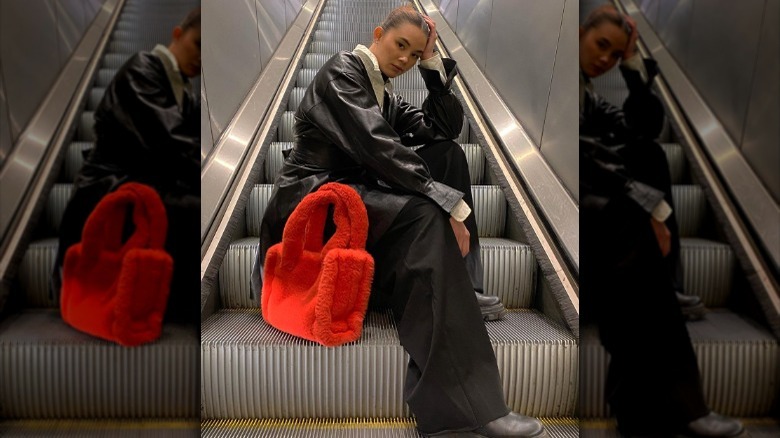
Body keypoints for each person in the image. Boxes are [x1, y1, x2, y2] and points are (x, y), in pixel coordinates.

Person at [252, 5, 543, 437]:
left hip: (354, 198)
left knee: (448, 155)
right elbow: (377, 146)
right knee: (426, 212)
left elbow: (441, 129)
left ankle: (459, 284)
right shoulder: (341, 72)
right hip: (315, 202)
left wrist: (432, 65)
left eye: (413, 54)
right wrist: (451, 206)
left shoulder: (384, 94)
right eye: (399, 46)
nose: (403, 59)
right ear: (377, 34)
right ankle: (468, 406)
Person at [579, 5, 743, 437]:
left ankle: (659, 284)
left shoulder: (590, 99)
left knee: (647, 154)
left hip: (604, 225)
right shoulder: (562, 91)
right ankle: (673, 402)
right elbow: (584, 156)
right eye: (601, 46)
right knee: (630, 232)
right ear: (580, 34)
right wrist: (648, 207)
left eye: (615, 56)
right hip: (589, 221)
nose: (605, 60)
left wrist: (634, 66)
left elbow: (645, 127)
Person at [53, 7, 201, 324]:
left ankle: (161, 304)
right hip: (108, 192)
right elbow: (169, 144)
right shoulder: (142, 69)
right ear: (177, 34)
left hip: (142, 188)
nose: (200, 57)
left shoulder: (184, 94)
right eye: (197, 44)